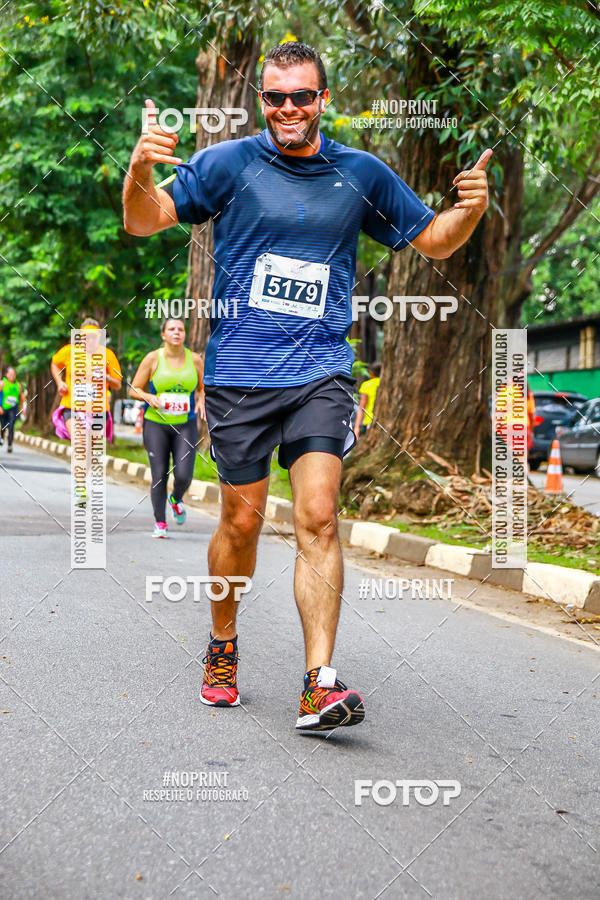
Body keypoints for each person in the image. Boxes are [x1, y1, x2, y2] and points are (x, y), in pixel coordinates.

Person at [122, 41, 490, 731]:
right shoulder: (226, 164)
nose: (287, 107)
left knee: (318, 516)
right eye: (275, 97)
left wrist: (469, 209)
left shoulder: (362, 173)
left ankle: (318, 683)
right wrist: (139, 171)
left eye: (301, 95)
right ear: (262, 100)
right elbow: (142, 220)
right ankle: (223, 645)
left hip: (321, 372)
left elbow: (434, 239)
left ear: (323, 99)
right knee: (241, 522)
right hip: (238, 377)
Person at [130, 318, 204, 538]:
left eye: (180, 329)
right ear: (163, 335)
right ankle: (160, 523)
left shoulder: (195, 359)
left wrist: (202, 398)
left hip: (185, 424)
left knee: (184, 475)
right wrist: (148, 396)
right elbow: (134, 388)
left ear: (185, 334)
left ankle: (176, 498)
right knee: (159, 474)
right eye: (171, 329)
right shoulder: (153, 358)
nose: (176, 332)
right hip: (156, 423)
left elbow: (204, 387)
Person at [50, 318, 122, 499]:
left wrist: (106, 377)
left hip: (98, 410)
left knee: (91, 450)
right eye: (85, 337)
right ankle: (81, 487)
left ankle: (80, 478)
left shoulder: (108, 355)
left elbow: (118, 383)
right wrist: (59, 382)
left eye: (93, 337)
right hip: (72, 407)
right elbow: (55, 364)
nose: (89, 340)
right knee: (80, 445)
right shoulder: (69, 352)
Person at [0, 367, 26, 452]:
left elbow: (21, 397)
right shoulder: (2, 383)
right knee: (3, 425)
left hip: (13, 409)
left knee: (11, 425)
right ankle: (2, 437)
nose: (12, 376)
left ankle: (10, 445)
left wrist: (22, 409)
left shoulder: (18, 385)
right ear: (7, 374)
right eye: (11, 374)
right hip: (4, 408)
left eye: (14, 374)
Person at [354, 362, 381, 438]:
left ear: (371, 373)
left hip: (370, 422)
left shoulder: (366, 385)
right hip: (386, 422)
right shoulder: (387, 383)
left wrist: (357, 427)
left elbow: (362, 408)